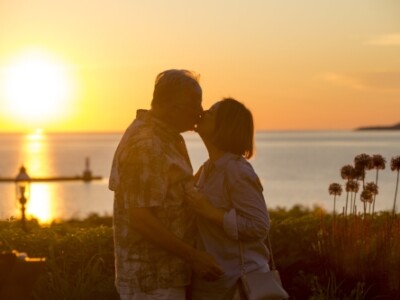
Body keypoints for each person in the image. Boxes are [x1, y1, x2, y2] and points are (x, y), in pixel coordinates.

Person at [109, 69, 224, 300]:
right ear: (175, 107)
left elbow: (167, 193)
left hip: (163, 279)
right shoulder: (147, 144)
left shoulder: (165, 137)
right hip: (151, 282)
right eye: (196, 104)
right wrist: (193, 257)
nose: (200, 112)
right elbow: (140, 217)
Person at [185, 98, 270, 300]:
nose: (204, 112)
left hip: (240, 285)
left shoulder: (236, 170)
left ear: (224, 127)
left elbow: (260, 226)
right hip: (214, 285)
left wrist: (213, 213)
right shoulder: (207, 169)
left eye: (212, 112)